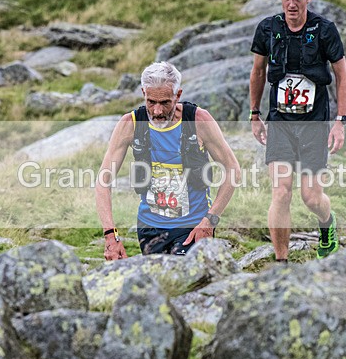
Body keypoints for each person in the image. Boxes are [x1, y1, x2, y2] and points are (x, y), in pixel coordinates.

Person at [249, 0, 346, 262]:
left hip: (313, 123)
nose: (292, 4)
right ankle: (282, 262)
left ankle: (327, 223)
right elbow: (257, 72)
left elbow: (342, 76)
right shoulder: (267, 29)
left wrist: (340, 122)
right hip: (280, 121)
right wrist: (255, 114)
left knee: (311, 197)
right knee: (281, 192)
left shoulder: (324, 30)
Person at [95, 61, 240, 260]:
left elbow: (233, 169)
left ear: (178, 95)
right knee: (160, 287)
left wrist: (210, 221)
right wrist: (110, 235)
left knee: (184, 281)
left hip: (193, 228)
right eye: (151, 102)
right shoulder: (131, 124)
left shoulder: (198, 121)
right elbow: (104, 181)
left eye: (165, 103)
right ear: (143, 92)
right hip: (150, 229)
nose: (157, 111)